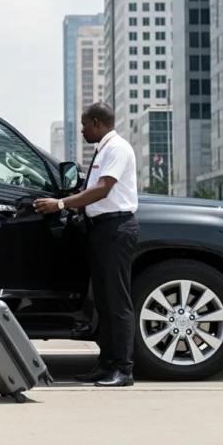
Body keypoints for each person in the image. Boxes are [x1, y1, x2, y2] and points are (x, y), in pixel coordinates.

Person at [33, 102, 138, 388]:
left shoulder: (117, 148)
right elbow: (92, 191)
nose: (82, 130)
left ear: (96, 123)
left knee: (117, 302)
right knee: (103, 302)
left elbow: (103, 189)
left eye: (84, 124)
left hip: (116, 228)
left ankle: (123, 369)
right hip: (101, 228)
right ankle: (106, 365)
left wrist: (60, 204)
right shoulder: (104, 149)